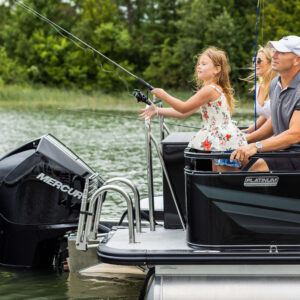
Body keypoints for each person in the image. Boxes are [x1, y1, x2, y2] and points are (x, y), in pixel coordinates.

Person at [139, 46, 247, 171]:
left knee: (224, 178)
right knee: (219, 175)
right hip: (223, 138)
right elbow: (184, 113)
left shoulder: (210, 89)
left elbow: (183, 108)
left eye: (204, 64)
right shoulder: (211, 88)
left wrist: (163, 95)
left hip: (222, 140)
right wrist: (157, 110)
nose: (199, 67)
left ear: (217, 69)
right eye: (199, 64)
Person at [230, 35, 300, 171]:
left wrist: (256, 146)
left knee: (256, 166)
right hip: (282, 152)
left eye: (282, 52)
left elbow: (295, 134)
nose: (274, 55)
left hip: (296, 154)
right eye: (275, 51)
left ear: (297, 60)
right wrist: (244, 141)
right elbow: (275, 122)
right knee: (236, 159)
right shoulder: (275, 83)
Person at [243, 46, 278, 133]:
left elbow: (273, 118)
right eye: (254, 60)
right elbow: (265, 115)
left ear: (271, 63)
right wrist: (248, 131)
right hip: (267, 135)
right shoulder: (259, 85)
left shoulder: (278, 85)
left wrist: (251, 138)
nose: (255, 63)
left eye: (259, 60)